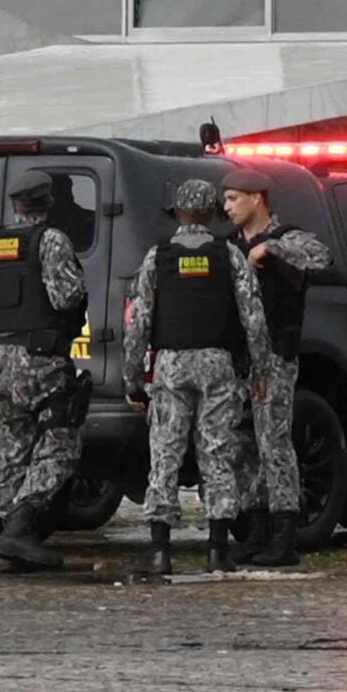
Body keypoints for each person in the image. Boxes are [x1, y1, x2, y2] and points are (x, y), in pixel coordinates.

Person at [124, 178, 254, 574]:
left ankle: (161, 551)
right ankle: (217, 549)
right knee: (217, 452)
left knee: (165, 453)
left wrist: (132, 378)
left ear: (178, 213)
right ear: (213, 212)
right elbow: (253, 318)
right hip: (218, 364)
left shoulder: (157, 257)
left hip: (172, 365)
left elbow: (138, 323)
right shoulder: (229, 256)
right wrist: (258, 366)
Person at [0, 169, 94, 570]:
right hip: (41, 359)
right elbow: (66, 297)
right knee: (61, 445)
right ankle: (20, 529)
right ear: (48, 204)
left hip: (1, 359)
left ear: (14, 205)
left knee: (11, 451)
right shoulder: (52, 240)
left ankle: (13, 544)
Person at [224, 182, 336, 568]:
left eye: (234, 198)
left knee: (274, 443)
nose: (227, 207)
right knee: (242, 448)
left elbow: (321, 256)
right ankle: (256, 530)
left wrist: (272, 249)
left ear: (257, 198)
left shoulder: (287, 237)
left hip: (273, 358)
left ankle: (285, 533)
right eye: (225, 199)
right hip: (236, 360)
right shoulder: (230, 245)